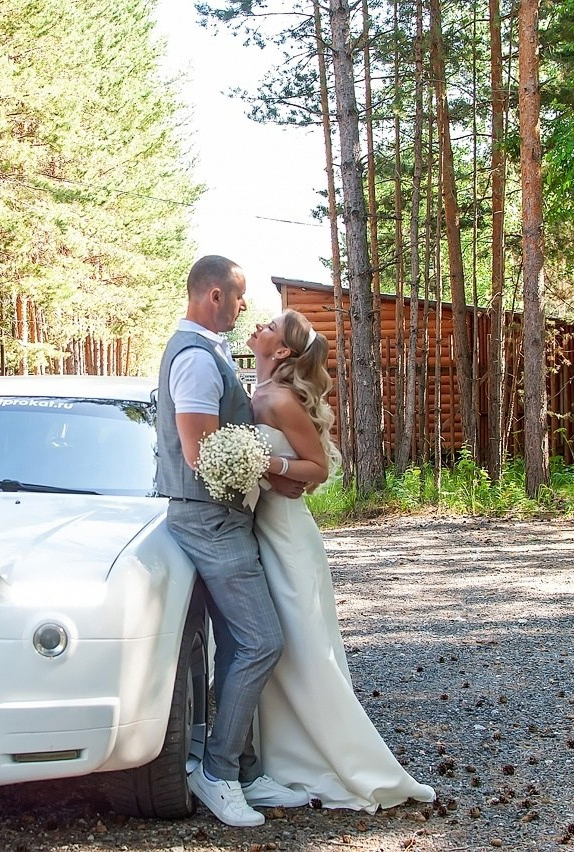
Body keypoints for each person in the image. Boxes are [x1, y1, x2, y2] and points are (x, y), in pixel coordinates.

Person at [245, 309, 437, 811]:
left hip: (287, 536)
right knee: (278, 650)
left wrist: (269, 464)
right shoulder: (255, 391)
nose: (261, 325)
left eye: (271, 326)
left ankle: (347, 760)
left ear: (282, 351)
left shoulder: (280, 399)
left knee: (305, 647)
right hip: (260, 531)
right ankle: (283, 757)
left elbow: (318, 468)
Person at [155, 255, 308, 828]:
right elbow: (202, 456)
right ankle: (217, 772)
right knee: (263, 641)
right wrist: (268, 470)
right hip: (210, 520)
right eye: (239, 296)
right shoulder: (196, 360)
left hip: (220, 517)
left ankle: (243, 771)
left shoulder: (208, 353)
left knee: (235, 643)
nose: (245, 307)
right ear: (214, 295)